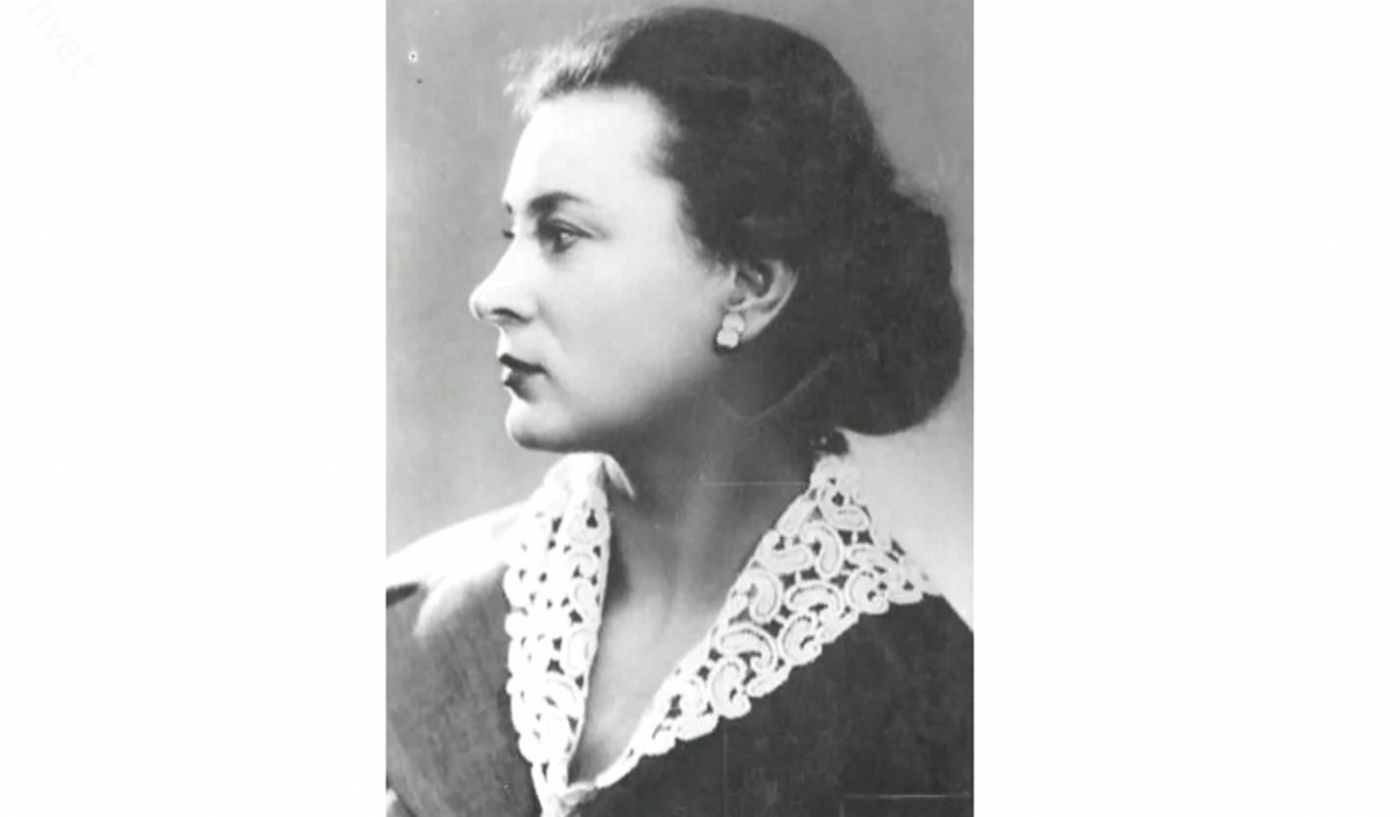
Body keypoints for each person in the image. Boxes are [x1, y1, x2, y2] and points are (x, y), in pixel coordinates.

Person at [387, 7, 970, 816]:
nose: (492, 293)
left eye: (562, 234)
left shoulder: (932, 710)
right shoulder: (408, 622)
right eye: (510, 232)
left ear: (750, 286)